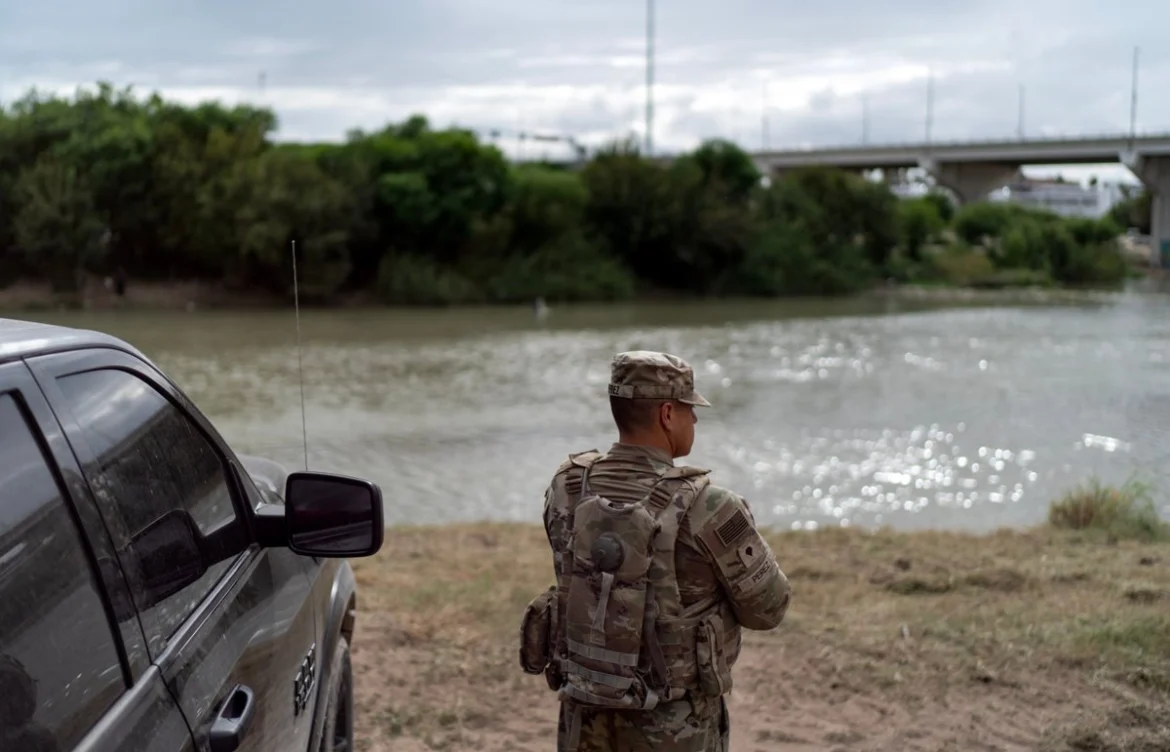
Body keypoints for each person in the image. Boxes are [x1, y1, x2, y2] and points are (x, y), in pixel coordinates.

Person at [520, 350, 791, 752]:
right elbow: (769, 609)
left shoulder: (568, 487)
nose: (694, 419)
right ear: (667, 414)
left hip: (584, 714)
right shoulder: (711, 507)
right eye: (688, 409)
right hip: (675, 726)